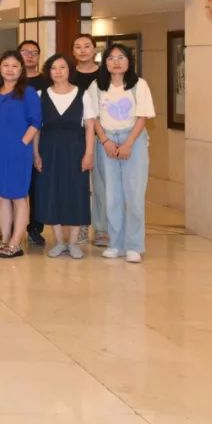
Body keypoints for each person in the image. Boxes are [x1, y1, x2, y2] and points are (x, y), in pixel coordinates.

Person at [90, 43, 156, 263]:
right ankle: (115, 244)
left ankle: (134, 246)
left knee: (134, 195)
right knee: (112, 196)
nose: (116, 62)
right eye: (111, 58)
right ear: (105, 62)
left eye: (121, 57)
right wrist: (105, 140)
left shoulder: (139, 85)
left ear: (129, 61)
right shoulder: (97, 86)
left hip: (133, 140)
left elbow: (142, 117)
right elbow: (93, 118)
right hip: (106, 141)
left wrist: (128, 144)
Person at [34, 54, 95, 259]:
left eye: (63, 67)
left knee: (76, 192)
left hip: (76, 150)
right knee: (51, 193)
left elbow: (90, 127)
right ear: (48, 71)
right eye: (54, 68)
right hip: (49, 150)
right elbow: (37, 128)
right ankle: (59, 242)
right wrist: (36, 154)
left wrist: (89, 154)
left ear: (70, 70)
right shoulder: (40, 95)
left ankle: (74, 243)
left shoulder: (83, 94)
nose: (58, 72)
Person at [0, 50, 42, 259]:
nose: (10, 69)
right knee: (2, 197)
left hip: (17, 152)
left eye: (15, 66)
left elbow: (35, 122)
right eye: (6, 65)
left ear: (21, 69)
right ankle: (4, 239)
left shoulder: (28, 92)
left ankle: (15, 242)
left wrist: (22, 144)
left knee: (18, 196)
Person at [70, 33, 102, 246]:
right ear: (73, 51)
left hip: (102, 136)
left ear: (94, 49)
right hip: (75, 137)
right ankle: (80, 226)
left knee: (101, 185)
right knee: (79, 185)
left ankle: (101, 229)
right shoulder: (68, 75)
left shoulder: (105, 74)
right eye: (78, 46)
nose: (83, 50)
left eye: (87, 46)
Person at [18, 40, 48, 246]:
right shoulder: (11, 80)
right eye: (25, 52)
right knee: (15, 186)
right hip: (15, 141)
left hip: (41, 140)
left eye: (34, 52)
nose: (29, 55)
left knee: (37, 188)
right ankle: (13, 227)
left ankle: (35, 228)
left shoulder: (46, 82)